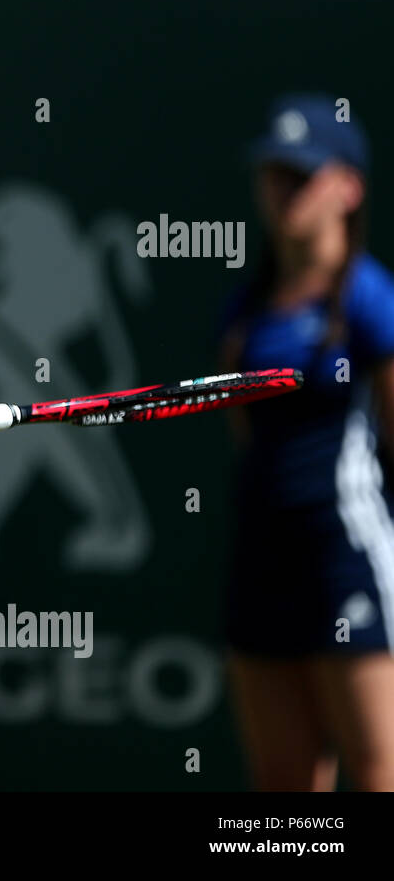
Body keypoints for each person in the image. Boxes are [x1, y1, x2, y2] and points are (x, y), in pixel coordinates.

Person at [218, 93, 394, 791]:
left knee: (379, 770)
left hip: (346, 553)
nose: (285, 190)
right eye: (275, 173)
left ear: (348, 188)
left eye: (305, 174)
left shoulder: (372, 301)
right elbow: (244, 434)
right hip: (261, 556)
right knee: (283, 784)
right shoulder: (246, 310)